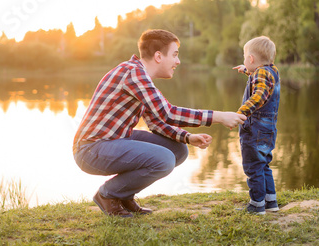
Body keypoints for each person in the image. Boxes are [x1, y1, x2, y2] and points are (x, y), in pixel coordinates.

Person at [73, 29, 246, 217]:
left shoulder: (139, 75)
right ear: (158, 56)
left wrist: (187, 137)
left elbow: (157, 122)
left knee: (178, 150)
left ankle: (123, 195)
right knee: (165, 159)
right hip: (91, 150)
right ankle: (107, 195)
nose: (177, 61)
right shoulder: (133, 73)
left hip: (114, 139)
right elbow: (168, 113)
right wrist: (218, 116)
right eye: (175, 55)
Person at [233, 36, 281, 215]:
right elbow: (263, 81)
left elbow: (259, 95)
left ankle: (257, 204)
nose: (245, 60)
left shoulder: (261, 74)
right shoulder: (272, 71)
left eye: (245, 58)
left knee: (253, 166)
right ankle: (270, 201)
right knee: (263, 164)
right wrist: (247, 71)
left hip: (255, 129)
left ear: (251, 58)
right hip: (268, 129)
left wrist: (241, 112)